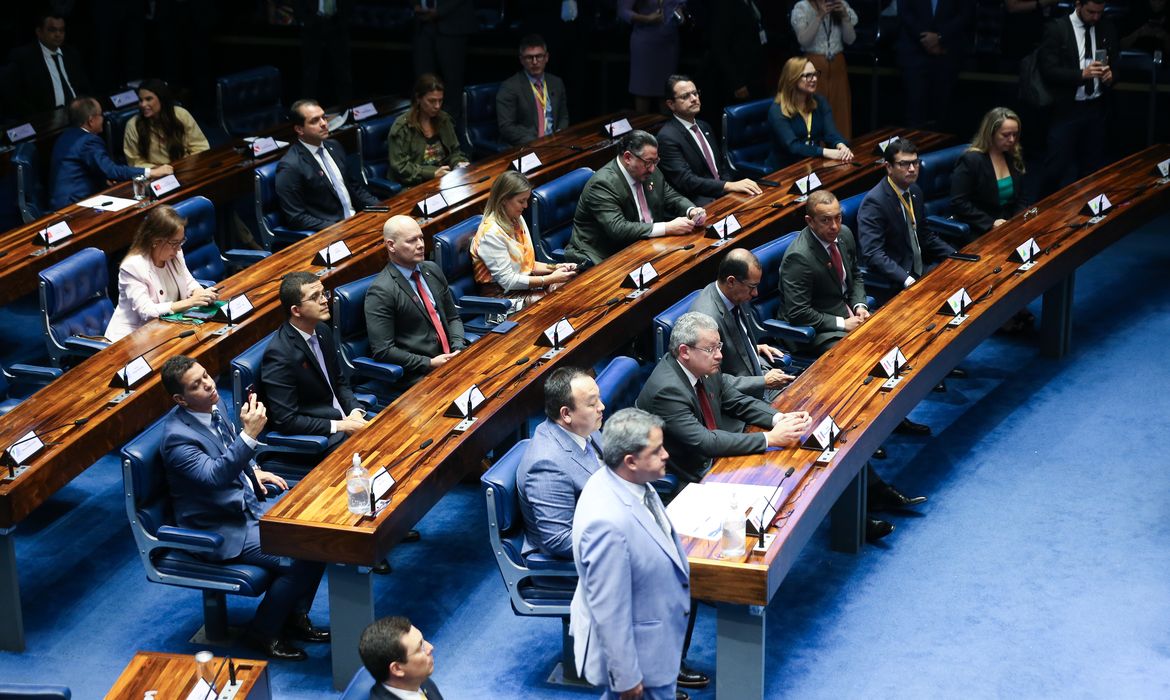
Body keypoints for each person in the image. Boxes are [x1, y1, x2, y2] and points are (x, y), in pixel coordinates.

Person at [159, 355, 328, 661]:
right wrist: (250, 436)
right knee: (300, 557)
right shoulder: (176, 439)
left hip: (246, 505)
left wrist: (253, 468)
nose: (209, 385)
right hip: (218, 527)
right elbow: (213, 476)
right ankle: (262, 634)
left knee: (318, 537)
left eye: (206, 375)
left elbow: (228, 445)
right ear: (180, 399)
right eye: (196, 385)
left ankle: (293, 618)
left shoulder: (213, 404)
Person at [569, 408, 691, 700]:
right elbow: (610, 610)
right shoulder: (607, 524)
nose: (666, 456)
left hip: (654, 639)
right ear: (630, 461)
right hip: (641, 657)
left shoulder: (623, 480)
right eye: (656, 450)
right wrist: (626, 677)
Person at [636, 311, 811, 483]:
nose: (719, 355)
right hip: (693, 468)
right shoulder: (667, 391)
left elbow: (736, 400)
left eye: (718, 346)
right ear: (684, 351)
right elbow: (704, 442)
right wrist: (770, 438)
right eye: (710, 349)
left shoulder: (704, 366)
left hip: (718, 445)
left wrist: (779, 419)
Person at [564, 129, 705, 266]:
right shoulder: (603, 184)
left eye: (656, 161)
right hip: (605, 255)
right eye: (648, 162)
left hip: (644, 244)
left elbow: (670, 196)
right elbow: (618, 229)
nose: (652, 168)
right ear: (628, 158)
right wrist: (667, 228)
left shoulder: (651, 171)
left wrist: (691, 210)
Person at [260, 272, 367, 449]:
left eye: (324, 293)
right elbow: (286, 420)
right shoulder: (279, 354)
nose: (325, 300)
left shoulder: (323, 330)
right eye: (315, 297)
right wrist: (340, 425)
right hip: (322, 436)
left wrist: (355, 412)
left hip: (345, 419)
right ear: (296, 310)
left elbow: (339, 382)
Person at [365, 215, 467, 388]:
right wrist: (429, 363)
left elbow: (452, 317)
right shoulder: (381, 291)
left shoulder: (432, 269)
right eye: (412, 241)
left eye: (421, 237)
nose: (420, 244)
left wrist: (458, 348)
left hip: (452, 360)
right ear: (391, 245)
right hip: (419, 375)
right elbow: (383, 350)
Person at [517, 367, 606, 559]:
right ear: (566, 414)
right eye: (592, 404)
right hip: (586, 560)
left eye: (599, 399)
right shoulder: (547, 465)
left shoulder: (583, 426)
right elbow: (560, 540)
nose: (602, 407)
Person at [689, 249, 792, 402]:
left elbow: (731, 344)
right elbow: (711, 381)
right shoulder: (706, 320)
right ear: (731, 281)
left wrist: (752, 347)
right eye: (752, 287)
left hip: (760, 375)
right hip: (740, 399)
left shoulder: (735, 295)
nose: (756, 293)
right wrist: (762, 382)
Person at [1038, 0, 1119, 193]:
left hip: (1096, 107)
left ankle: (1087, 219)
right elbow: (1048, 70)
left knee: (1091, 169)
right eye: (1091, 12)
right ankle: (1044, 215)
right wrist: (1081, 75)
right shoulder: (1057, 29)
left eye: (1100, 12)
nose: (1095, 17)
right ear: (1078, 4)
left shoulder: (1106, 27)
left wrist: (1111, 76)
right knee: (1055, 168)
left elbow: (1116, 63)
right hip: (1067, 109)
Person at [469, 171, 577, 314]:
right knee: (553, 301)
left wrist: (557, 267)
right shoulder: (490, 234)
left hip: (524, 287)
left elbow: (529, 265)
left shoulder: (516, 219)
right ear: (503, 199)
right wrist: (550, 278)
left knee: (570, 283)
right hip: (501, 299)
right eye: (521, 201)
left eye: (527, 200)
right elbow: (508, 282)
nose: (526, 206)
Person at [104, 205, 217, 342]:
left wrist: (200, 293)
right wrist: (190, 302)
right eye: (174, 243)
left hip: (166, 329)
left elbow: (188, 281)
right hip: (133, 338)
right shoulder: (133, 267)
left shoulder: (174, 253)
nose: (179, 248)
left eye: (181, 241)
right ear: (155, 241)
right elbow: (147, 311)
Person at [858, 138, 955, 295]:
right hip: (896, 278)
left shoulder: (915, 191)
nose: (912, 169)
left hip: (920, 268)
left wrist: (955, 255)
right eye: (904, 164)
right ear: (889, 167)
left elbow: (925, 235)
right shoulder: (875, 202)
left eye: (915, 163)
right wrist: (907, 279)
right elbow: (873, 254)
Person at [778, 190, 868, 355]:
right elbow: (799, 313)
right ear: (810, 221)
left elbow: (855, 275)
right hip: (816, 331)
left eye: (837, 218)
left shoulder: (844, 234)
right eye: (825, 220)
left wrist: (859, 305)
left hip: (847, 311)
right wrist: (842, 323)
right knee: (858, 351)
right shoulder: (799, 257)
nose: (834, 226)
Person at [49, 96, 173, 210]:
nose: (104, 118)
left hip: (60, 203)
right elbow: (111, 171)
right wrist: (152, 172)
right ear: (91, 121)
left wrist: (103, 179)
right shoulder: (88, 141)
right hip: (74, 205)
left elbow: (79, 170)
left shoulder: (65, 137)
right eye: (101, 115)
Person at [275, 98, 380, 232]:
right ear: (299, 129)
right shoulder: (290, 166)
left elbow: (354, 188)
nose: (324, 124)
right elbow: (296, 218)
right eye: (315, 121)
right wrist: (340, 228)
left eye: (324, 118)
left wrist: (383, 208)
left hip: (356, 221)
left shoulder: (335, 147)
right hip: (330, 231)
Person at [657, 75, 762, 206]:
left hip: (721, 192)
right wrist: (727, 186)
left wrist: (728, 187)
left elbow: (721, 166)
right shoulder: (667, 137)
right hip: (697, 202)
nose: (694, 99)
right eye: (685, 96)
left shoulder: (704, 126)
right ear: (671, 104)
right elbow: (686, 181)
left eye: (695, 93)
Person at [896, 0, 975, 130]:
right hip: (914, 51)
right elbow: (905, 12)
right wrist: (926, 40)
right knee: (914, 112)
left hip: (947, 52)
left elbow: (966, 14)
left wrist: (940, 37)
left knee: (942, 114)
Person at [950, 108, 1028, 237]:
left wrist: (1017, 220)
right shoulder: (971, 160)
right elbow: (959, 202)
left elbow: (1021, 197)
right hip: (979, 227)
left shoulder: (1012, 156)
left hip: (1008, 224)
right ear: (990, 133)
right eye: (1006, 135)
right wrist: (990, 223)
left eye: (1015, 134)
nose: (1012, 140)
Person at [765, 57, 853, 171]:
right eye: (808, 75)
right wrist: (825, 152)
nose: (814, 79)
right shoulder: (777, 110)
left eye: (815, 74)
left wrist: (841, 145)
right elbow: (793, 147)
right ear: (793, 79)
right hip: (784, 170)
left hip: (812, 165)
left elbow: (831, 133)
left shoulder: (820, 102)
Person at [790, 0, 859, 140]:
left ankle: (842, 146)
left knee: (840, 109)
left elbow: (850, 39)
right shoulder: (802, 7)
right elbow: (803, 40)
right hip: (813, 65)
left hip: (837, 64)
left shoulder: (841, 5)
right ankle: (816, 151)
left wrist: (844, 17)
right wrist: (819, 16)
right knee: (815, 109)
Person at [388, 73, 470, 187]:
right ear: (418, 98)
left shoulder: (444, 120)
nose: (437, 106)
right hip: (414, 185)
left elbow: (454, 152)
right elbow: (400, 167)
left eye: (440, 101)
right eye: (431, 101)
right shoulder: (402, 127)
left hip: (444, 180)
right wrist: (432, 174)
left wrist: (458, 163)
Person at [6, 13, 91, 118]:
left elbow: (84, 87)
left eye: (62, 30)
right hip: (44, 119)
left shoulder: (72, 54)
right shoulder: (24, 57)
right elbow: (13, 95)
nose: (58, 34)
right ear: (39, 32)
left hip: (76, 115)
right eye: (52, 30)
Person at [496, 34, 570, 146]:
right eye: (529, 57)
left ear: (546, 57)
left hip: (555, 144)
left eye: (539, 56)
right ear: (521, 60)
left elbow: (563, 117)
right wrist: (537, 143)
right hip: (526, 146)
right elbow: (507, 127)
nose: (535, 62)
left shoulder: (556, 83)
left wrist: (559, 135)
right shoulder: (509, 87)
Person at [412, 0, 476, 129]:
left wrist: (439, 11)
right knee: (423, 79)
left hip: (453, 23)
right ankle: (423, 124)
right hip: (422, 25)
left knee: (452, 79)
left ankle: (449, 128)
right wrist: (415, 5)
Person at [122, 78, 210, 168]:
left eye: (148, 99)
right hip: (155, 174)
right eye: (141, 100)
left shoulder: (181, 114)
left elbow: (200, 146)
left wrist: (188, 165)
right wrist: (160, 171)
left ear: (161, 98)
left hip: (186, 166)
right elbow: (135, 162)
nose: (143, 104)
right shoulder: (133, 125)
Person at [618, 0, 685, 115]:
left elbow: (677, 5)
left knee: (666, 91)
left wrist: (679, 14)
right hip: (644, 43)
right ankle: (641, 130)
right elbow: (623, 11)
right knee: (642, 91)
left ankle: (666, 131)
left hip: (669, 43)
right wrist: (647, 19)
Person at [359, 615, 443, 700]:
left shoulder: (418, 679)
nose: (430, 647)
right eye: (420, 647)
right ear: (397, 669)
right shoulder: (417, 676)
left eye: (423, 641)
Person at [708, 0, 768, 105]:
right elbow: (720, 48)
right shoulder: (725, 5)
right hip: (741, 76)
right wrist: (737, 83)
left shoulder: (750, 2)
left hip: (757, 72)